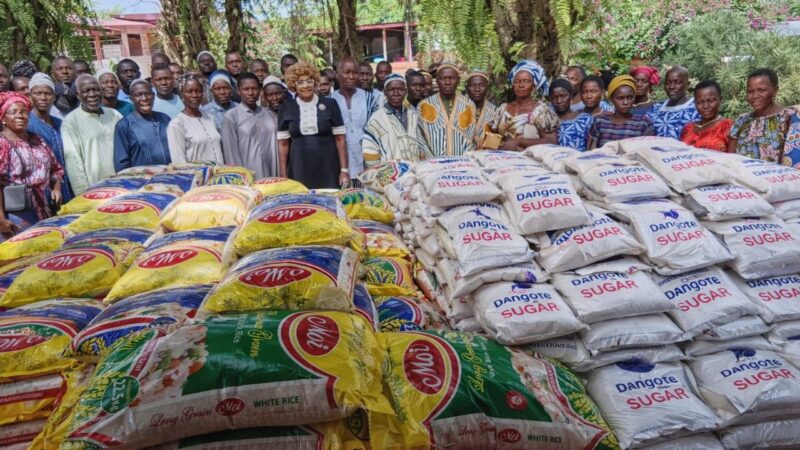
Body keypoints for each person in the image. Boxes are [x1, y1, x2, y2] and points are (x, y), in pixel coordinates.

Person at [0, 92, 64, 233]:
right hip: (20, 214)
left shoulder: (37, 139)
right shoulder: (3, 144)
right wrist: (1, 219)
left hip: (47, 207)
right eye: (13, 112)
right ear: (3, 118)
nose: (20, 115)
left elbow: (56, 169)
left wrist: (57, 188)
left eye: (24, 112)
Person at [277, 62, 348, 189]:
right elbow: (283, 145)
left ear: (315, 82)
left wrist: (344, 170)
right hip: (299, 165)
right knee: (303, 202)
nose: (305, 86)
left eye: (309, 81)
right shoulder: (286, 107)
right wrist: (283, 174)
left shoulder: (330, 104)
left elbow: (340, 140)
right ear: (294, 85)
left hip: (328, 165)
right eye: (300, 82)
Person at [61, 74, 123, 194]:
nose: (92, 94)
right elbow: (73, 161)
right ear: (78, 95)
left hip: (122, 184)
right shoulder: (71, 122)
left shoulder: (115, 115)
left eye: (95, 89)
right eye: (86, 91)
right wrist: (83, 194)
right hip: (95, 190)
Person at [728, 68, 800, 166]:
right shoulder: (742, 121)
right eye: (750, 91)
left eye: (761, 90)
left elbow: (793, 162)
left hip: (775, 179)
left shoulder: (790, 118)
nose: (755, 96)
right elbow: (730, 159)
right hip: (741, 179)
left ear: (775, 90)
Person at [362, 74, 430, 168]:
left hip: (415, 175)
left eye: (400, 89)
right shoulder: (376, 119)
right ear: (385, 92)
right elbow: (370, 151)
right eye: (391, 89)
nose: (396, 92)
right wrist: (377, 175)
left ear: (406, 91)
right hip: (389, 177)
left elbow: (423, 147)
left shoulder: (414, 116)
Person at [331, 57, 381, 181]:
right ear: (337, 75)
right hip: (339, 162)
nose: (352, 76)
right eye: (347, 72)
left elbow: (376, 130)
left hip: (366, 159)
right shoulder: (329, 100)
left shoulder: (369, 99)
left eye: (355, 72)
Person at [491, 60, 558, 150]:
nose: (521, 85)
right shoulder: (503, 108)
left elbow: (551, 141)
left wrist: (520, 141)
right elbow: (493, 134)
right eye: (517, 81)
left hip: (529, 161)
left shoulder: (541, 111)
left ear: (533, 86)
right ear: (512, 85)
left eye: (526, 81)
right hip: (501, 159)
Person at [27, 73, 73, 202]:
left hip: (65, 184)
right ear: (30, 97)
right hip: (43, 190)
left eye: (48, 93)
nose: (43, 97)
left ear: (54, 97)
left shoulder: (59, 123)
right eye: (38, 93)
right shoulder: (27, 124)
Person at [221, 72, 277, 178]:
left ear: (259, 90)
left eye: (254, 88)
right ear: (238, 91)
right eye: (246, 89)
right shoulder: (232, 117)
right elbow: (231, 154)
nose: (251, 93)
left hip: (273, 174)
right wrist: (240, 178)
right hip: (249, 177)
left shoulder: (269, 114)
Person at [418, 63, 477, 156]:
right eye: (443, 78)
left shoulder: (468, 105)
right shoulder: (424, 105)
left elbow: (472, 137)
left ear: (458, 80)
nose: (447, 82)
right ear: (437, 80)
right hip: (434, 164)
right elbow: (420, 138)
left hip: (462, 163)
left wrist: (467, 159)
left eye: (452, 78)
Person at [113, 79, 172, 172]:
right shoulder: (124, 125)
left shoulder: (164, 119)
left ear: (153, 96)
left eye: (147, 94)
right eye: (138, 95)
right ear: (131, 99)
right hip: (142, 182)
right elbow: (121, 164)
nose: (144, 98)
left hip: (170, 177)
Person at [168, 74, 223, 165]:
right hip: (198, 177)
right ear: (181, 94)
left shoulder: (209, 118)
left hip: (220, 175)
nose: (195, 95)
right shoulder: (177, 124)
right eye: (189, 91)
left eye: (198, 91)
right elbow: (179, 162)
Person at [588, 75, 654, 149]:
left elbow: (648, 152)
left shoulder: (643, 122)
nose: (625, 102)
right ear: (611, 99)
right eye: (620, 98)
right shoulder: (600, 121)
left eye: (630, 98)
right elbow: (592, 151)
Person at [647, 66, 700, 139]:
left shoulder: (698, 109)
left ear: (688, 84)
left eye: (677, 82)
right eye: (667, 83)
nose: (671, 87)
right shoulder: (656, 108)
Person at [680, 80, 733, 152]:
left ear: (720, 100)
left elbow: (734, 159)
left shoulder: (728, 127)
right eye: (700, 102)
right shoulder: (688, 129)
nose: (705, 106)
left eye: (711, 101)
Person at [550, 78, 592, 151]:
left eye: (563, 96)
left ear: (571, 96)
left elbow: (590, 148)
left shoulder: (585, 120)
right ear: (550, 99)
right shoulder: (547, 121)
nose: (559, 101)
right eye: (555, 97)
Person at [465, 69, 498, 141]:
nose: (477, 89)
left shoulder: (494, 112)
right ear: (467, 88)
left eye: (482, 85)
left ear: (487, 88)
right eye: (473, 85)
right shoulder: (459, 109)